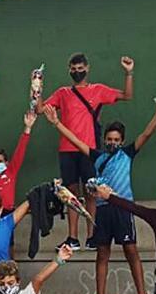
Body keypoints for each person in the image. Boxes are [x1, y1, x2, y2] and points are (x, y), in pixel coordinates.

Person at [47, 94, 156, 294]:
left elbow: (147, 133)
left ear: (121, 141)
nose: (112, 143)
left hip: (123, 208)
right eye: (109, 139)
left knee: (131, 250)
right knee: (102, 253)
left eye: (116, 140)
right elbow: (75, 141)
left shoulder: (127, 154)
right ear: (104, 140)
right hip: (102, 210)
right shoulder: (97, 157)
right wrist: (56, 123)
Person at [36, 52, 134, 250]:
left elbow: (127, 95)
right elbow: (40, 109)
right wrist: (37, 87)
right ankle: (72, 238)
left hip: (89, 150)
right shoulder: (62, 93)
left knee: (91, 193)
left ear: (87, 69)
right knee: (71, 195)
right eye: (73, 69)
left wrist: (129, 73)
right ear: (69, 70)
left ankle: (92, 236)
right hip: (66, 150)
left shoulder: (98, 90)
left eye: (80, 68)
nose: (77, 72)